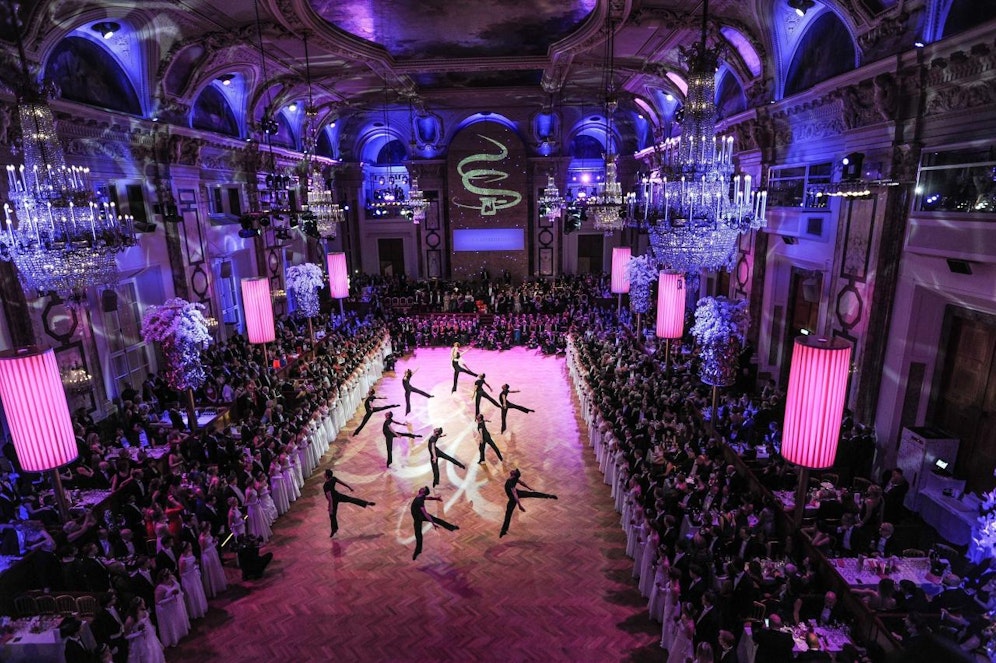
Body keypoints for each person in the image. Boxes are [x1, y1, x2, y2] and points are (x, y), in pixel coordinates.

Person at [499, 468, 557, 538]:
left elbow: (515, 495)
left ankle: (503, 531)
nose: (512, 470)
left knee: (508, 514)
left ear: (514, 475)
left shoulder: (510, 482)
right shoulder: (514, 479)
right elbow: (522, 483)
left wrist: (519, 505)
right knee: (531, 494)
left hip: (513, 498)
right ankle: (548, 496)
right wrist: (529, 488)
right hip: (516, 494)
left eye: (514, 471)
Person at [410, 486, 459, 560]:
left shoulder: (420, 500)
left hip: (419, 517)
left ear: (423, 492)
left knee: (419, 534)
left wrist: (432, 523)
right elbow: (428, 498)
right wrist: (436, 498)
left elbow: (425, 513)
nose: (421, 488)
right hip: (418, 517)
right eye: (422, 488)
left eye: (422, 489)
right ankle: (418, 551)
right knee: (419, 534)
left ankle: (452, 527)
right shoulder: (421, 496)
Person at [322, 468, 376, 536]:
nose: (323, 474)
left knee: (332, 515)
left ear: (326, 476)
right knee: (350, 499)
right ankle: (366, 503)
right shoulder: (333, 479)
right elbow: (341, 482)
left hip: (333, 499)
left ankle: (334, 529)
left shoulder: (325, 485)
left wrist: (331, 507)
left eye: (324, 473)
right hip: (337, 495)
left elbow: (330, 498)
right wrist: (349, 487)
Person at [123, 596, 165, 663]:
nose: (144, 603)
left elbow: (148, 623)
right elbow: (126, 636)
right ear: (138, 605)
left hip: (150, 636)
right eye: (143, 602)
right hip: (140, 641)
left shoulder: (144, 611)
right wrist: (138, 633)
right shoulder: (130, 619)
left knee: (155, 652)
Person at [92, 592, 128, 663]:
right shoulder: (101, 615)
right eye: (114, 598)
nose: (116, 599)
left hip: (123, 637)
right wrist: (111, 646)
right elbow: (104, 633)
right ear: (108, 601)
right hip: (114, 641)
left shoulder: (116, 607)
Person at [178, 541, 208, 620]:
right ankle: (195, 612)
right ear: (185, 549)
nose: (191, 547)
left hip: (194, 576)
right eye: (189, 546)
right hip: (188, 579)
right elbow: (181, 573)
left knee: (198, 591)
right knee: (193, 594)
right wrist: (191, 569)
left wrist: (195, 564)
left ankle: (201, 607)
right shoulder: (182, 560)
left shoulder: (190, 553)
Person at [197, 521, 227, 598]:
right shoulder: (202, 538)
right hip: (208, 555)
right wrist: (213, 544)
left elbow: (211, 543)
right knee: (211, 571)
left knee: (216, 569)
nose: (210, 528)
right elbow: (203, 550)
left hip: (212, 552)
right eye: (208, 527)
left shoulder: (208, 533)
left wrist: (214, 542)